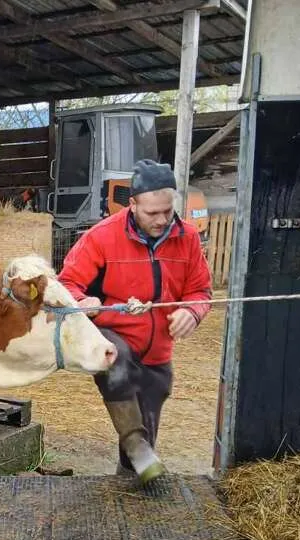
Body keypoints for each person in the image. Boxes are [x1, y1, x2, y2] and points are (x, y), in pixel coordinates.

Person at [58, 159, 213, 484]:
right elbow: (67, 284)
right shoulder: (102, 236)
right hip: (112, 333)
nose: (161, 220)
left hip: (158, 352)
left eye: (167, 211)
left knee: (146, 426)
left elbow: (200, 290)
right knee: (117, 362)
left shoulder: (186, 238)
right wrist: (85, 301)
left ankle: (129, 477)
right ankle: (135, 448)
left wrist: (192, 312)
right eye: (151, 213)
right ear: (132, 204)